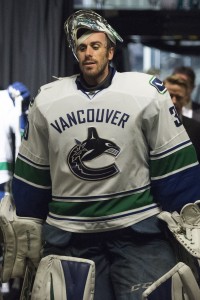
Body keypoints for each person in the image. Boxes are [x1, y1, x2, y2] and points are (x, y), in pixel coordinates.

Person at [1, 9, 200, 300]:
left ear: (110, 51)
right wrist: (29, 218)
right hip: (69, 235)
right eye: (81, 48)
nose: (88, 53)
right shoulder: (47, 100)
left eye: (95, 46)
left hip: (138, 232)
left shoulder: (146, 92)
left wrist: (188, 210)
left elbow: (171, 163)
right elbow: (35, 173)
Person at [164, 74, 200, 162]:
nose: (174, 101)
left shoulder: (196, 128)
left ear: (186, 99)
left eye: (179, 97)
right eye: (170, 96)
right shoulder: (148, 124)